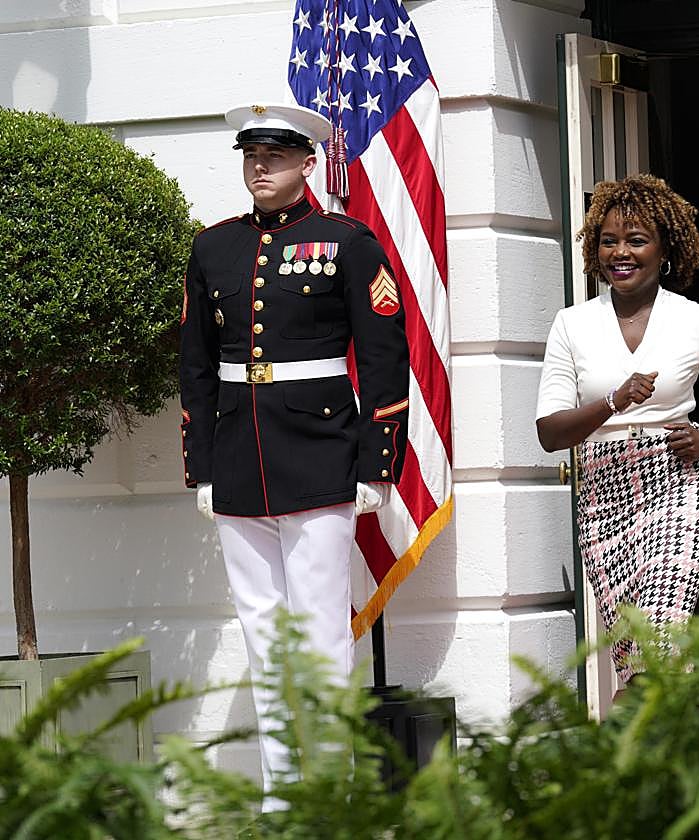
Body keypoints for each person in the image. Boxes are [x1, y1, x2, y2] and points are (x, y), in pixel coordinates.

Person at [179, 103, 409, 796]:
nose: (260, 167)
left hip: (321, 456)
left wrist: (378, 464)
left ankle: (330, 790)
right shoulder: (212, 246)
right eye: (251, 155)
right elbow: (195, 366)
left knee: (318, 633)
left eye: (275, 156)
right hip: (239, 462)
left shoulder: (346, 240)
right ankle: (282, 796)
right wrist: (203, 467)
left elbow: (383, 354)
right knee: (262, 633)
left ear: (308, 164)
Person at [535, 173, 699, 692]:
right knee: (638, 656)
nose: (620, 252)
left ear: (665, 248)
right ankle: (669, 756)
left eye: (636, 240)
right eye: (608, 240)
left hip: (680, 481)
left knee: (659, 633)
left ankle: (629, 757)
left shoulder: (695, 320)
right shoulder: (572, 324)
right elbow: (551, 433)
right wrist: (612, 401)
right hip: (604, 492)